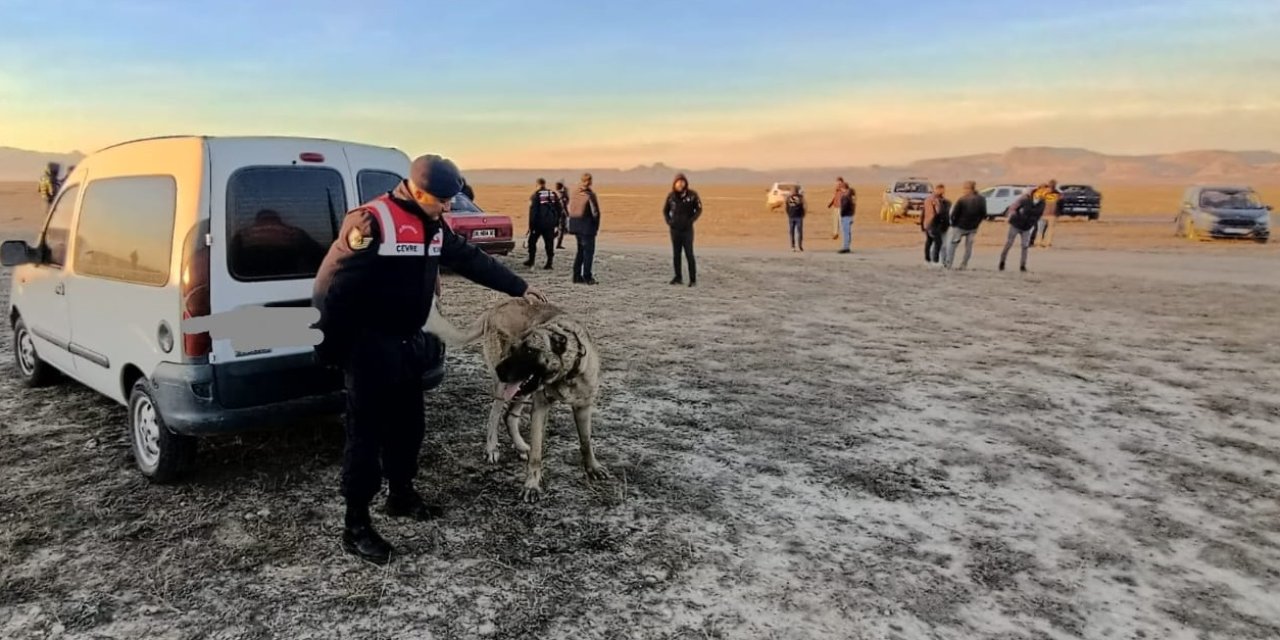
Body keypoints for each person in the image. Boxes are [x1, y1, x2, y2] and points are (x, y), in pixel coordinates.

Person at [312, 154, 546, 565]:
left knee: (409, 426)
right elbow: (332, 289)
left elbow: (469, 259)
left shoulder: (433, 224)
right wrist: (333, 348)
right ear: (418, 192)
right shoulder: (371, 223)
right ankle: (356, 525)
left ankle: (401, 495)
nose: (451, 206)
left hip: (408, 342)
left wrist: (518, 286)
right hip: (369, 348)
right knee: (364, 436)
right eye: (444, 199)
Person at [663, 172, 702, 286]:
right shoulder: (671, 197)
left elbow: (699, 209)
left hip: (687, 230)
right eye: (678, 182)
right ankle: (678, 277)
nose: (680, 184)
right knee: (676, 254)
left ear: (685, 183)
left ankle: (692, 280)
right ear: (674, 184)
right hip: (675, 230)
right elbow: (665, 210)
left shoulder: (692, 195)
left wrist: (691, 220)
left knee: (689, 254)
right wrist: (669, 221)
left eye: (682, 182)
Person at [999, 186, 1045, 272]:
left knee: (1025, 246)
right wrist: (1014, 215)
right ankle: (1002, 262)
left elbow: (1038, 215)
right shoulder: (1024, 200)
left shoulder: (1042, 204)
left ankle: (1022, 266)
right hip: (1016, 224)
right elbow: (1012, 208)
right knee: (1009, 243)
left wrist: (1032, 223)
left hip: (1027, 227)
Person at [944, 181, 987, 270]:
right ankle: (964, 264)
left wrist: (953, 223)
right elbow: (984, 213)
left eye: (965, 188)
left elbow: (954, 214)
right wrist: (977, 223)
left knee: (953, 245)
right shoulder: (982, 199)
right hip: (973, 227)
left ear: (969, 189)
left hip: (960, 226)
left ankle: (949, 264)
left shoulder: (962, 199)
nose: (963, 190)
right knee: (968, 247)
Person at [567, 172, 601, 284]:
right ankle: (587, 276)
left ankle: (576, 277)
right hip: (587, 227)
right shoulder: (589, 195)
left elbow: (570, 208)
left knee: (580, 251)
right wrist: (595, 226)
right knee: (588, 253)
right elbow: (595, 212)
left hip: (576, 227)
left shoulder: (575, 193)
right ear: (590, 181)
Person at [524, 178, 560, 269]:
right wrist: (557, 223)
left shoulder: (536, 195)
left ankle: (531, 260)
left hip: (538, 224)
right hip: (550, 224)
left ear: (537, 185)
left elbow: (533, 212)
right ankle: (549, 263)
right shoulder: (552, 194)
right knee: (549, 243)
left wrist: (531, 227)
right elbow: (559, 209)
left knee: (532, 242)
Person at [921, 183, 950, 266]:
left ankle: (927, 260)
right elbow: (939, 212)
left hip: (928, 224)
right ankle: (935, 261)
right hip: (933, 224)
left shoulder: (928, 199)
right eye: (941, 190)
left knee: (929, 242)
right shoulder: (934, 200)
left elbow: (923, 213)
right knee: (938, 242)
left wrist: (923, 225)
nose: (943, 192)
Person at [829, 178, 856, 253]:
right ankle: (847, 246)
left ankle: (846, 247)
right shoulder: (851, 195)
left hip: (845, 216)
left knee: (845, 232)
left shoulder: (846, 196)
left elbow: (844, 206)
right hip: (850, 215)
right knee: (848, 232)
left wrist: (841, 214)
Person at [1032, 179, 1061, 248]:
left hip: (1043, 213)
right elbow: (1060, 203)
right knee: (1050, 230)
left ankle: (1038, 243)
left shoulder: (1042, 192)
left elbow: (1036, 201)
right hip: (1052, 214)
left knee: (1040, 229)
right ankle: (1048, 243)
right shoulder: (1058, 194)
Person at [785, 186, 806, 252]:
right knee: (792, 232)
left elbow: (804, 206)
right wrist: (788, 214)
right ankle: (793, 246)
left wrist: (803, 214)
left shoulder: (800, 197)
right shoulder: (788, 198)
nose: (793, 191)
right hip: (791, 217)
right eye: (792, 190)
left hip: (799, 217)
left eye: (795, 190)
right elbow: (786, 207)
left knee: (799, 232)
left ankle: (800, 246)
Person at [554, 180, 570, 249]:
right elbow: (563, 205)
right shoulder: (562, 195)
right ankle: (558, 244)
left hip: (557, 214)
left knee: (561, 229)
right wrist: (567, 214)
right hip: (561, 214)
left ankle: (552, 239)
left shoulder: (557, 194)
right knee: (561, 229)